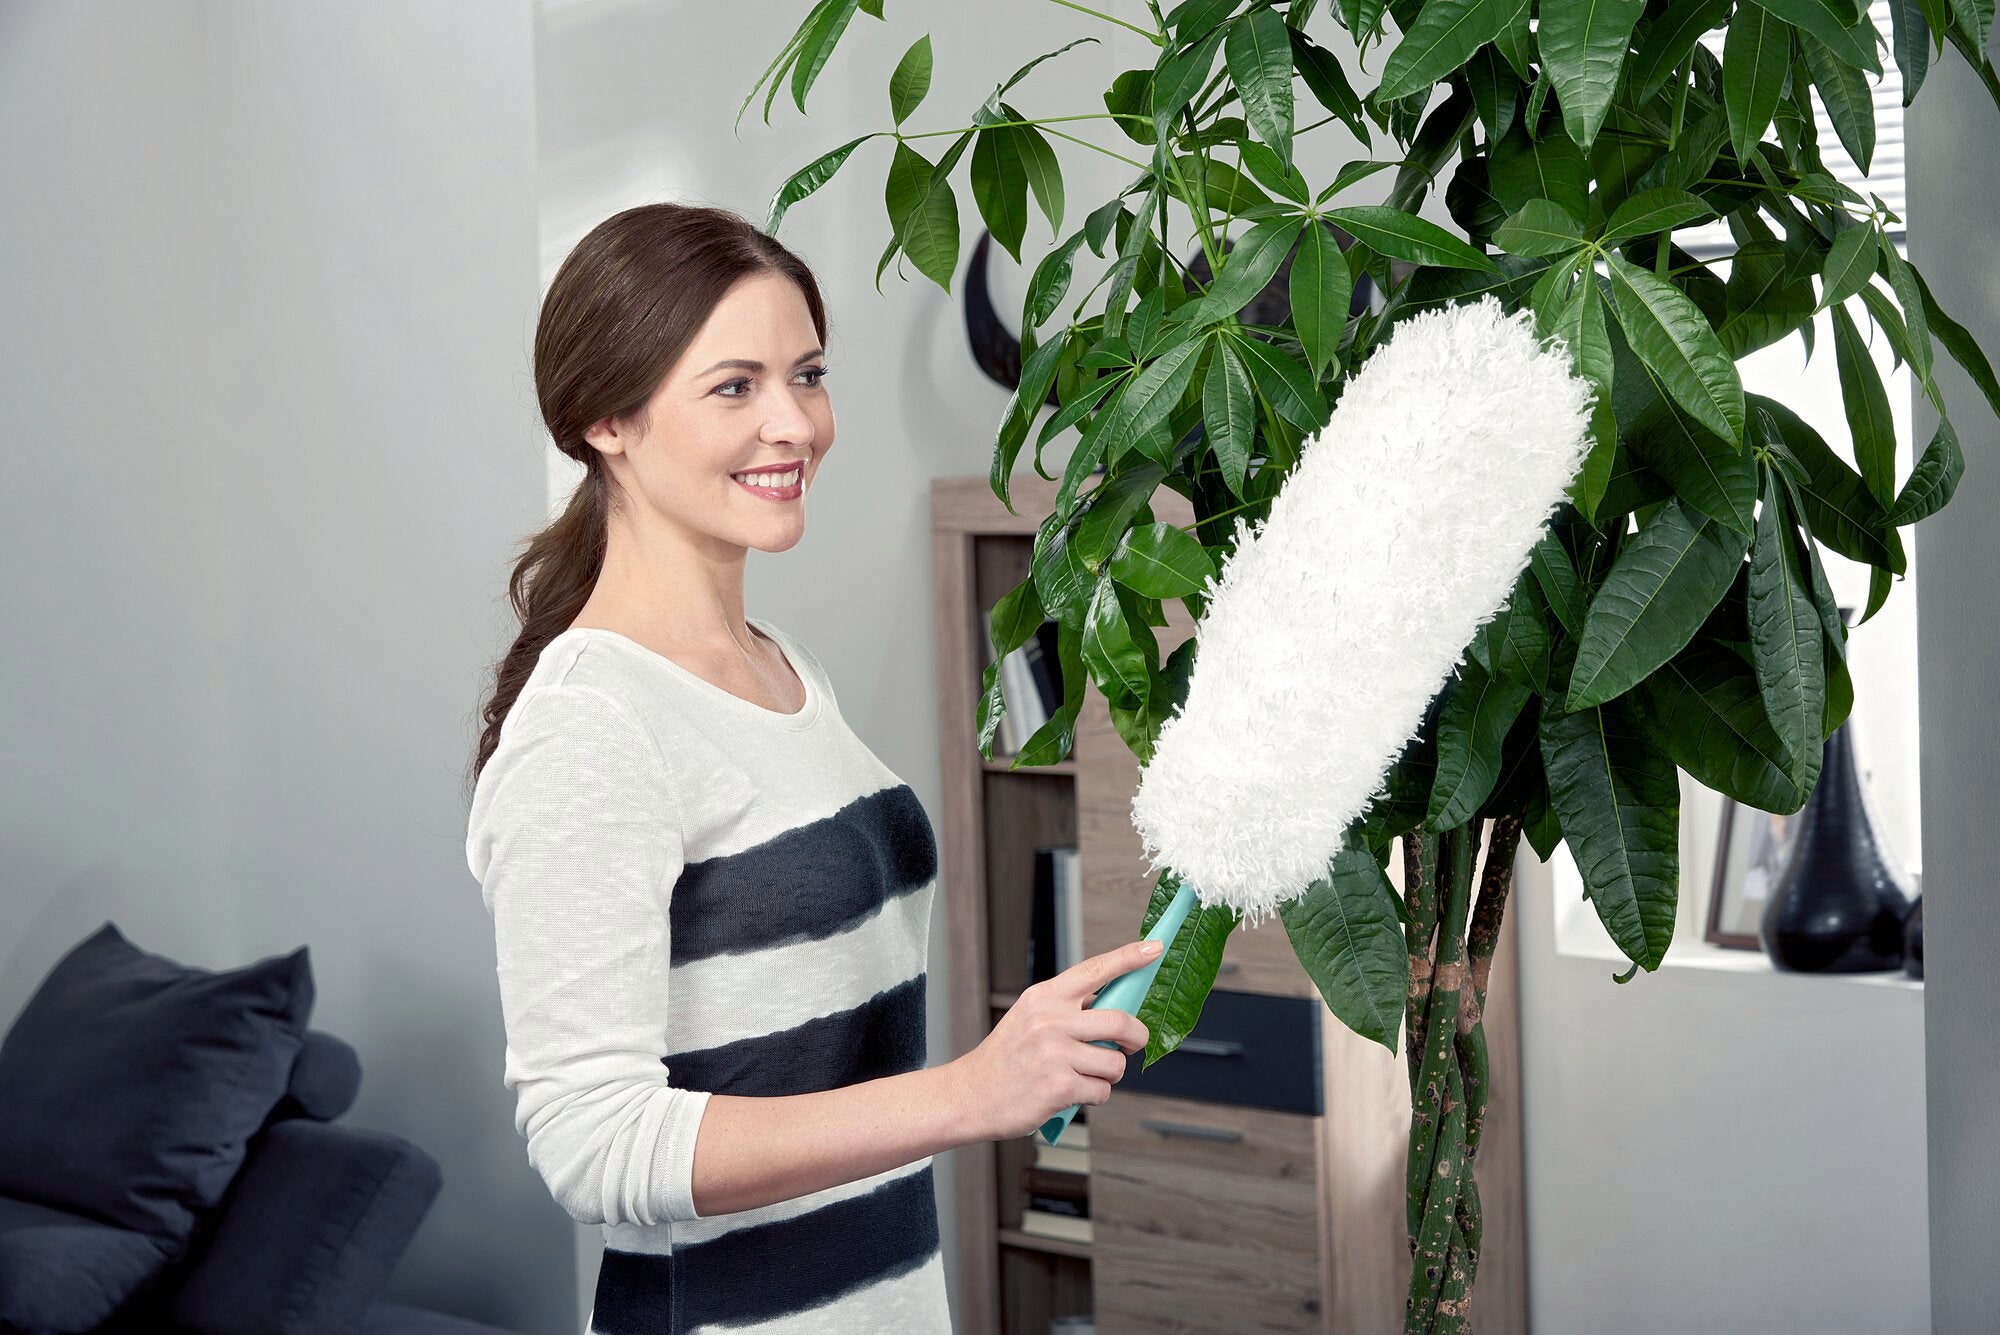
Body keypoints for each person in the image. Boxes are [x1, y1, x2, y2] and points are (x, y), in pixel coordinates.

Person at [463, 202, 1160, 1335]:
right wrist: (970, 1093)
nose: (793, 423)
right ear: (606, 421)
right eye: (733, 387)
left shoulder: (781, 671)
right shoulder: (591, 730)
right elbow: (594, 1145)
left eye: (807, 375)